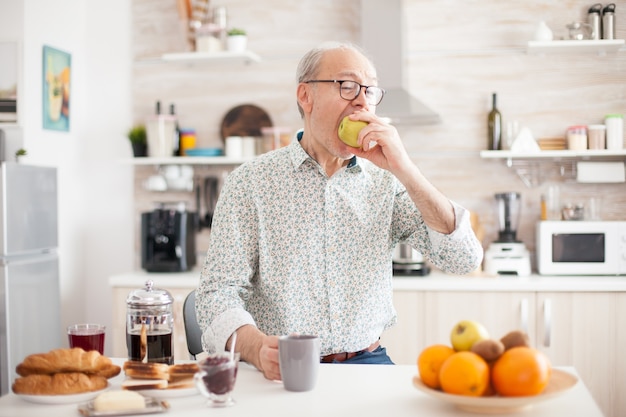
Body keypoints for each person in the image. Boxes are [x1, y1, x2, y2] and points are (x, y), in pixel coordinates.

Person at [196, 41, 483, 381]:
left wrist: (405, 168)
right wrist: (255, 347)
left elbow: (463, 259)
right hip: (279, 370)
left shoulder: (385, 182)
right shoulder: (250, 183)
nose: (362, 101)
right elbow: (216, 294)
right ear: (306, 96)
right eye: (347, 86)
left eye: (370, 90)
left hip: (368, 364)